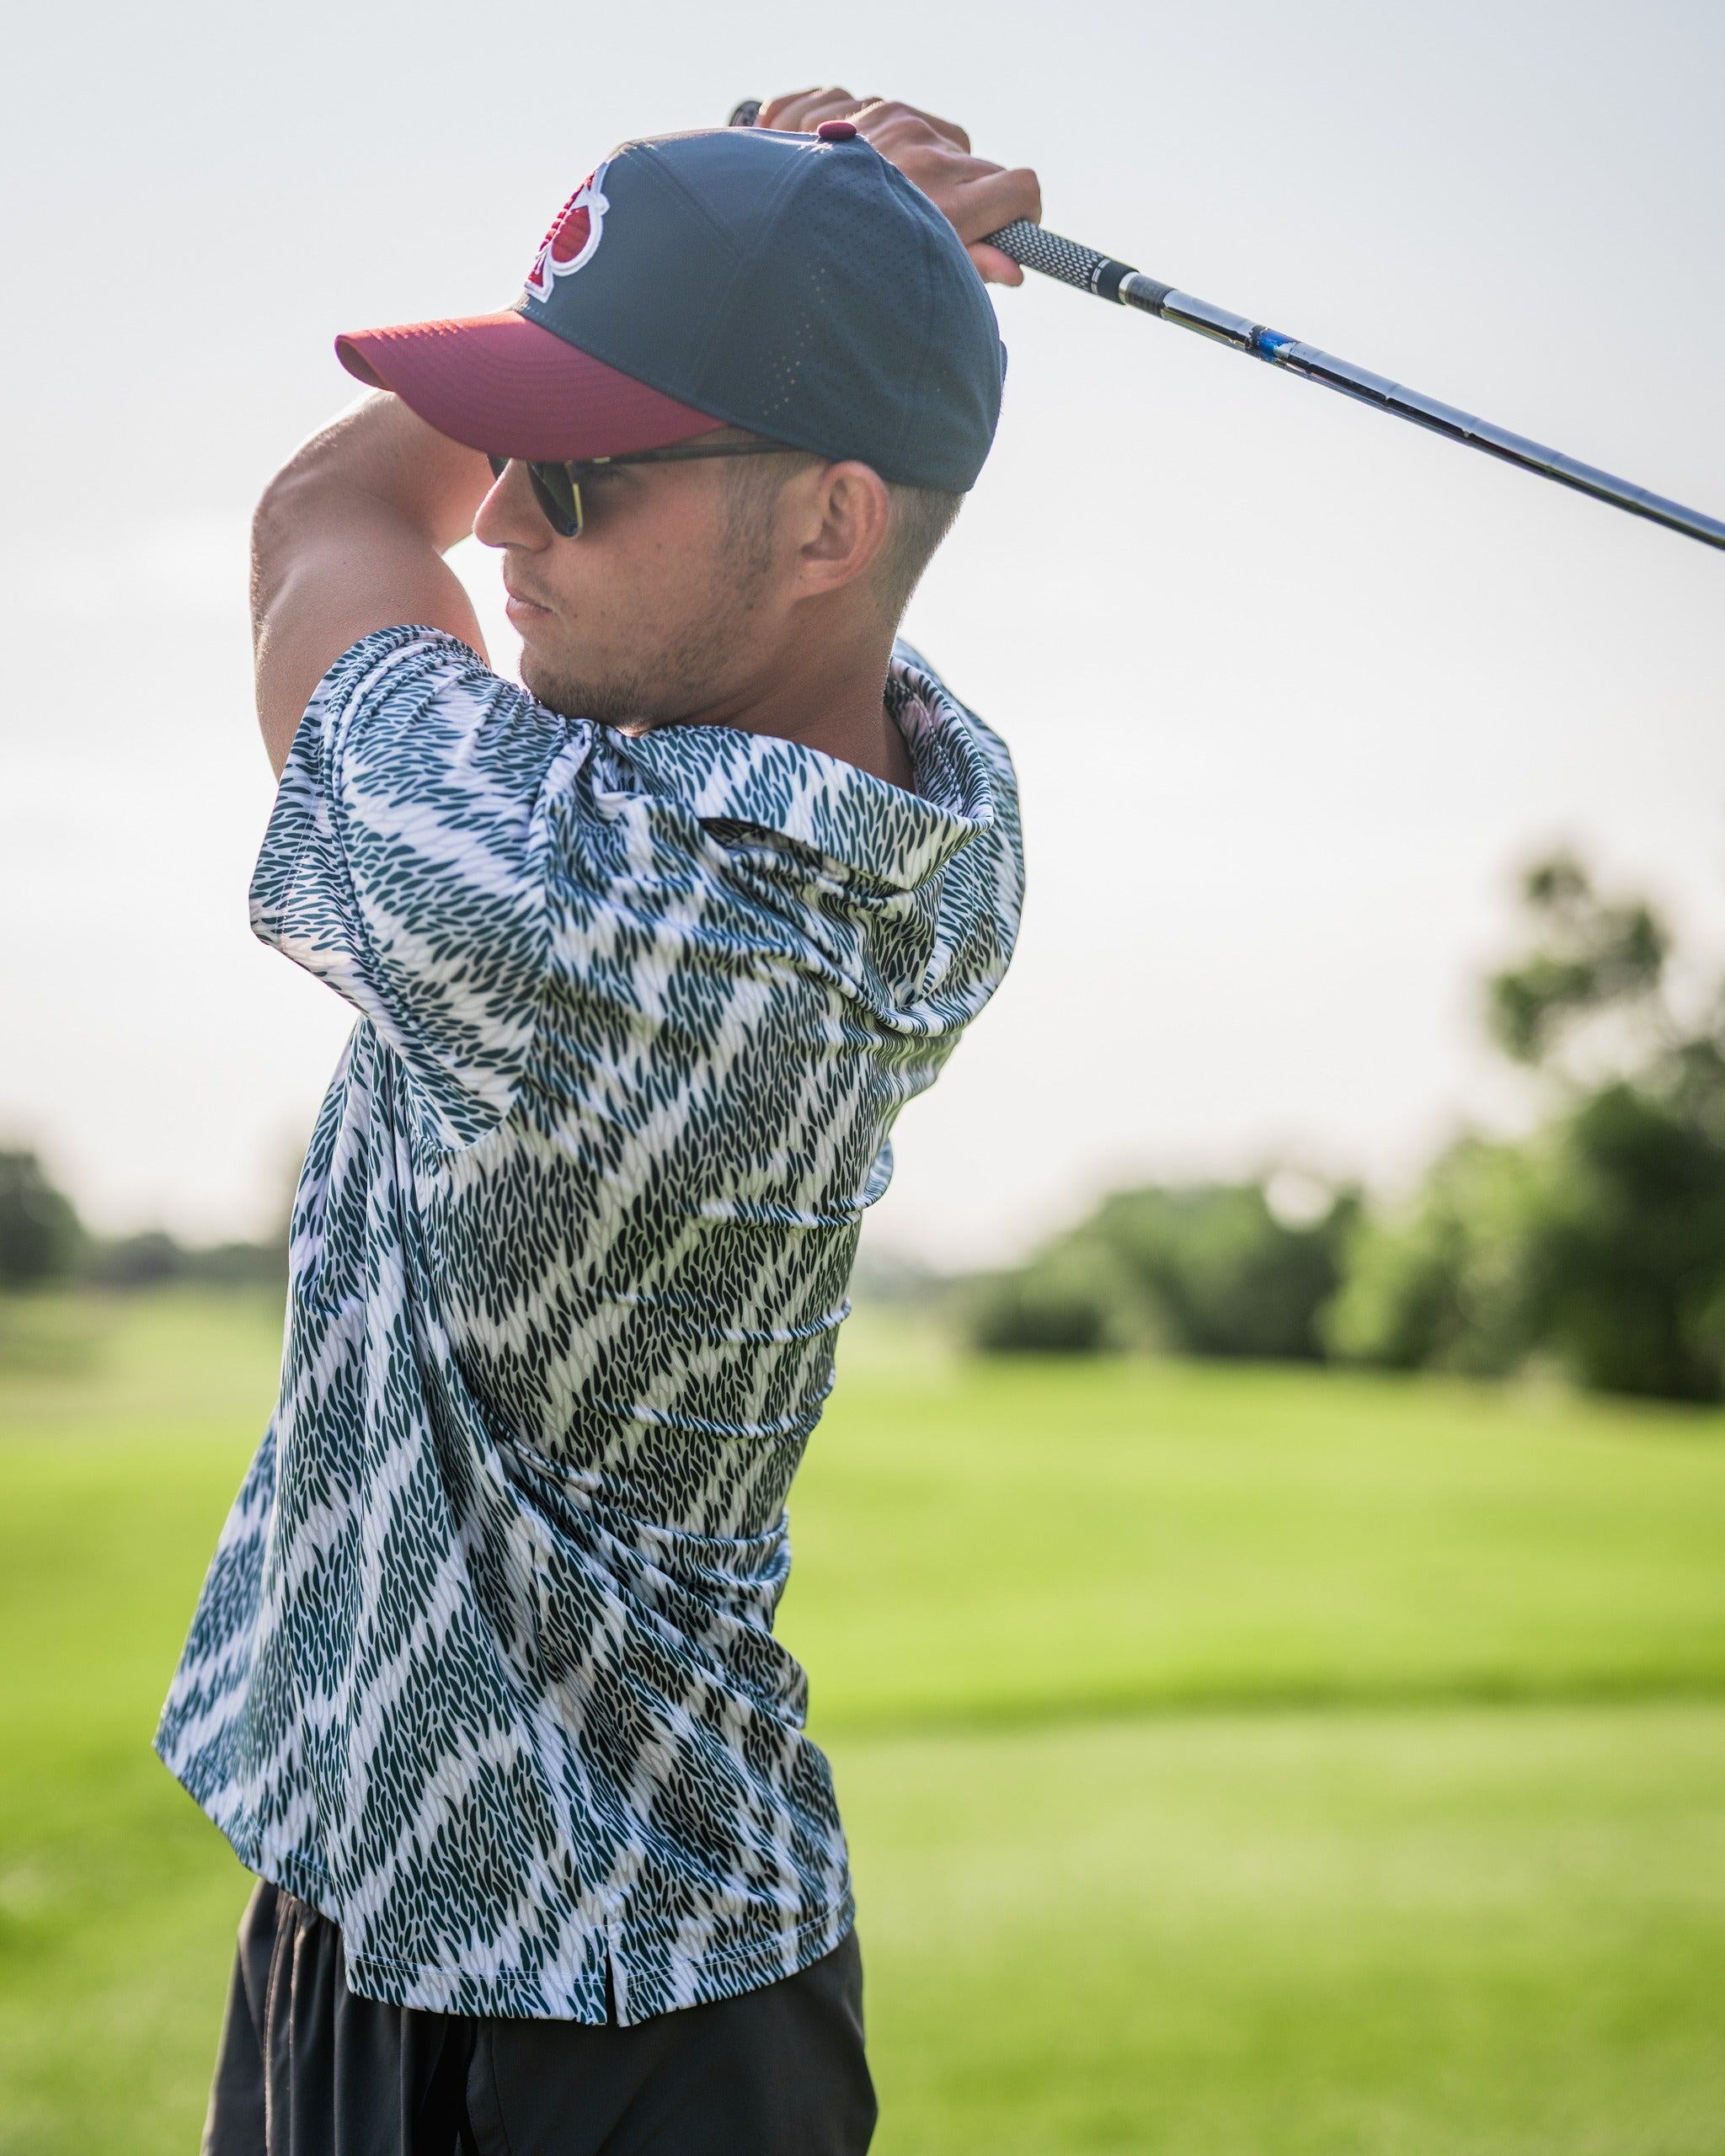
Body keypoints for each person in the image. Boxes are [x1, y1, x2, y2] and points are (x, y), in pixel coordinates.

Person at [157, 88, 1039, 2156]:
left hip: (601, 2028)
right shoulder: (943, 828)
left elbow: (328, 519)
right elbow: (840, 554)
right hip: (468, 1910)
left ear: (826, 526)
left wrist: (822, 240)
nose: (501, 520)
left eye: (580, 468)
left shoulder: (568, 914)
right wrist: (825, 266)